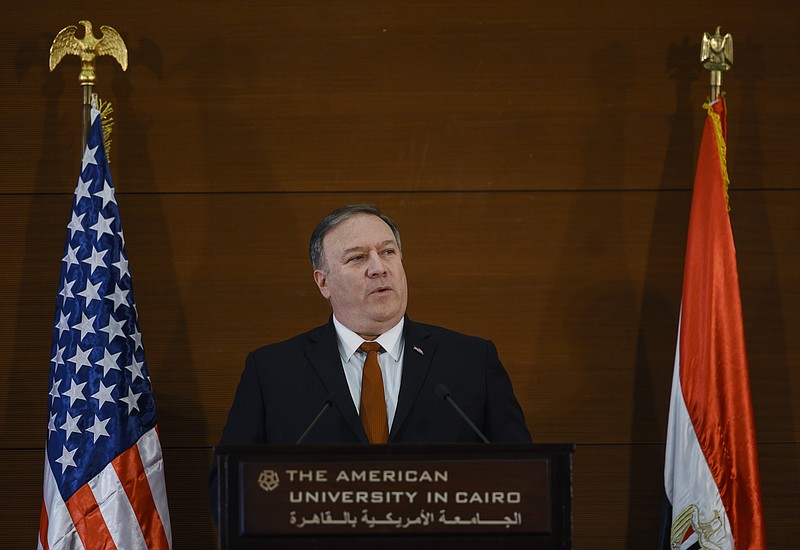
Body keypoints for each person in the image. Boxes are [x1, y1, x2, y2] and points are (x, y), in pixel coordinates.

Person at [209, 204, 531, 517]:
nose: (379, 267)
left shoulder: (471, 362)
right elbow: (227, 491)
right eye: (358, 257)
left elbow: (524, 480)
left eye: (388, 252)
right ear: (323, 282)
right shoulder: (272, 372)